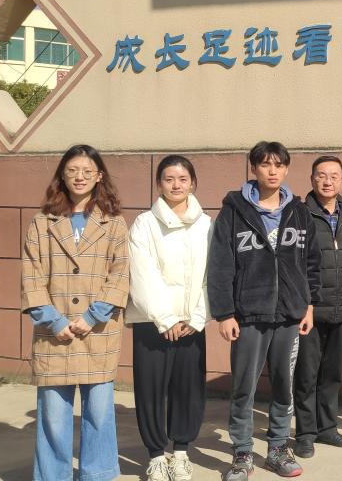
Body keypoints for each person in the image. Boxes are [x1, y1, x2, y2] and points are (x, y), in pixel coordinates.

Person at [207, 141, 321, 481]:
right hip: (248, 315)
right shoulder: (234, 211)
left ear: (286, 169)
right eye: (266, 164)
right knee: (244, 387)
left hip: (289, 314)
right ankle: (242, 452)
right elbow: (220, 265)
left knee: (284, 386)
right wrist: (224, 313)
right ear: (253, 168)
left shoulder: (299, 211)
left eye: (279, 165)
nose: (273, 171)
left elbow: (311, 262)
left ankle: (277, 449)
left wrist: (308, 305)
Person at [21, 144, 130, 481]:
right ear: (62, 175)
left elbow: (120, 275)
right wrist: (55, 321)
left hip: (98, 332)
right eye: (72, 171)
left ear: (99, 176)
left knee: (99, 413)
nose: (79, 177)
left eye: (86, 171)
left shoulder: (114, 223)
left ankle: (98, 475)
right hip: (54, 334)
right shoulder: (42, 223)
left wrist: (93, 316)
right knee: (54, 416)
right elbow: (31, 278)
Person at [127, 155, 211, 481]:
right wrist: (166, 318)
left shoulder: (206, 225)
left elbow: (213, 275)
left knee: (188, 389)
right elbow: (142, 274)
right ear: (159, 183)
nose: (176, 185)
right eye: (168, 179)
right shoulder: (144, 223)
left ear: (193, 183)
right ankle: (156, 456)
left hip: (191, 324)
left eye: (182, 179)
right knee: (150, 390)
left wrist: (197, 318)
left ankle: (181, 453)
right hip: (153, 324)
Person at [294, 155, 342, 457]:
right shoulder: (299, 214)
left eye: (334, 176)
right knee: (306, 374)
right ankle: (305, 433)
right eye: (321, 175)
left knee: (332, 372)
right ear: (312, 179)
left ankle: (327, 428)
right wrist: (305, 302)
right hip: (310, 309)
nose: (328, 181)